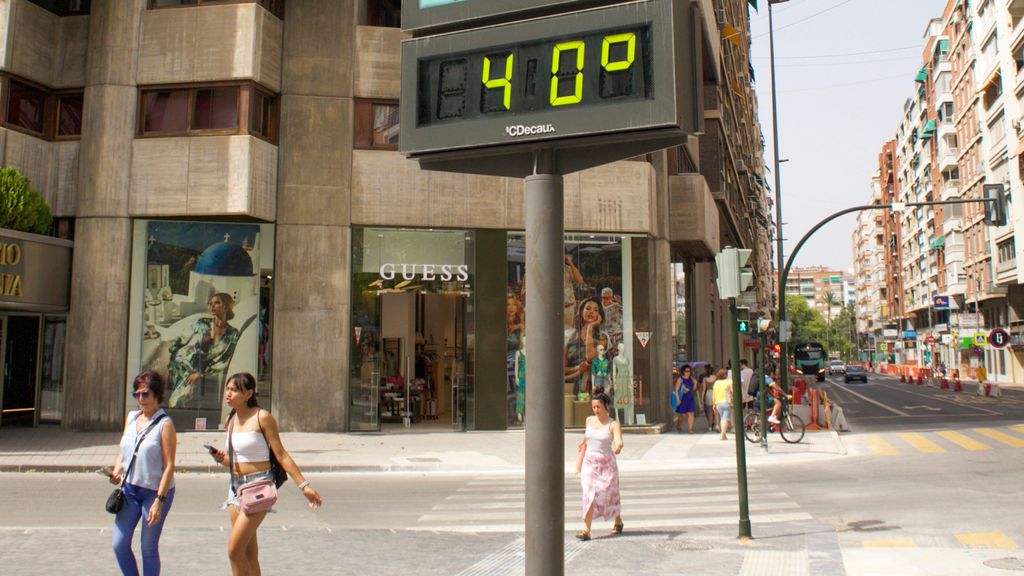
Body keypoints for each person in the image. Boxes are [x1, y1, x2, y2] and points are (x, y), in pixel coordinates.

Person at [206, 372, 323, 575]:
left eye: (234, 389)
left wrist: (304, 486)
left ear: (249, 393)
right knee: (248, 553)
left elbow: (281, 454)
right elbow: (235, 460)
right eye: (227, 389)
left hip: (259, 487)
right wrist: (220, 457)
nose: (228, 393)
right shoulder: (230, 420)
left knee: (234, 550)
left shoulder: (262, 417)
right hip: (235, 488)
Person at [110, 370, 177, 576]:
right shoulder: (131, 417)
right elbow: (124, 448)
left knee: (148, 547)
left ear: (156, 394)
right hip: (130, 489)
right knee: (119, 544)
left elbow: (169, 466)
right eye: (136, 394)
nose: (140, 398)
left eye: (145, 393)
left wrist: (159, 500)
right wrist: (116, 469)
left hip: (154, 492)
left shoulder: (165, 425)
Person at [167, 292, 241, 408]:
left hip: (205, 374)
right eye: (210, 303)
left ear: (226, 306)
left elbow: (224, 359)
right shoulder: (202, 323)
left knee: (186, 404)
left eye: (217, 303)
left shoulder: (233, 333)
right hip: (185, 365)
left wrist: (202, 373)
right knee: (175, 403)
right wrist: (173, 356)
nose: (212, 306)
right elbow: (181, 338)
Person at [575, 391, 624, 541]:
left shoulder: (612, 424)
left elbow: (619, 441)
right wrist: (583, 444)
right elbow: (588, 437)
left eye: (599, 407)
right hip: (589, 462)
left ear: (606, 406)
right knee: (589, 493)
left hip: (607, 463)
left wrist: (618, 447)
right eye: (594, 407)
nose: (596, 410)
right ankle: (586, 529)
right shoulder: (589, 420)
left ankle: (618, 520)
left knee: (609, 494)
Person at [565, 297, 608, 395]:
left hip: (594, 388)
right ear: (581, 312)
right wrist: (576, 368)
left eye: (596, 310)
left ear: (599, 315)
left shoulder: (603, 337)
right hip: (571, 388)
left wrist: (590, 327)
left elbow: (590, 357)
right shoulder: (570, 336)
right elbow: (562, 368)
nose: (591, 312)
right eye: (588, 308)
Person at [611, 342, 633, 424]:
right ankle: (617, 417)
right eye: (622, 347)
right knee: (618, 396)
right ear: (619, 349)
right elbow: (614, 372)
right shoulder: (615, 359)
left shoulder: (627, 359)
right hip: (619, 379)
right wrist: (614, 383)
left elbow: (629, 370)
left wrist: (631, 382)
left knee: (627, 396)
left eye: (624, 348)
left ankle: (629, 418)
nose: (623, 349)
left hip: (626, 379)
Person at [672, 364, 696, 433]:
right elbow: (676, 390)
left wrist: (695, 384)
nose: (688, 372)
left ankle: (690, 429)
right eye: (687, 371)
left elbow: (693, 389)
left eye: (689, 371)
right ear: (683, 372)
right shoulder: (680, 379)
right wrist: (678, 399)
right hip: (683, 398)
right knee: (683, 414)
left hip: (690, 398)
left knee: (691, 414)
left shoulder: (691, 378)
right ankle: (678, 425)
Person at [712, 367, 732, 440]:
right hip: (726, 402)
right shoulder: (729, 382)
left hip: (718, 403)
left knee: (722, 418)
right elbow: (732, 391)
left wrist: (714, 404)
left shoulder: (716, 383)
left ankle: (723, 434)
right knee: (725, 418)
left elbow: (713, 394)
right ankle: (722, 434)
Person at [700, 365, 717, 432]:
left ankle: (710, 427)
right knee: (716, 411)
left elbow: (704, 389)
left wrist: (702, 398)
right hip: (715, 393)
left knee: (710, 411)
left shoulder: (705, 379)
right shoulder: (716, 377)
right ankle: (717, 425)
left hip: (708, 393)